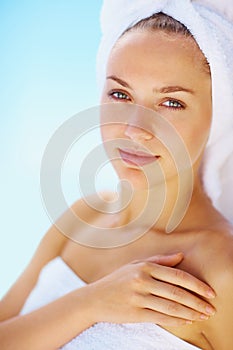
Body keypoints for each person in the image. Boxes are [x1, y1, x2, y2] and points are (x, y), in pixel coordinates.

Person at [1, 1, 233, 349]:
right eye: (120, 94)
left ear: (220, 112)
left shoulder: (220, 271)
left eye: (171, 102)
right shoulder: (83, 217)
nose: (134, 129)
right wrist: (90, 303)